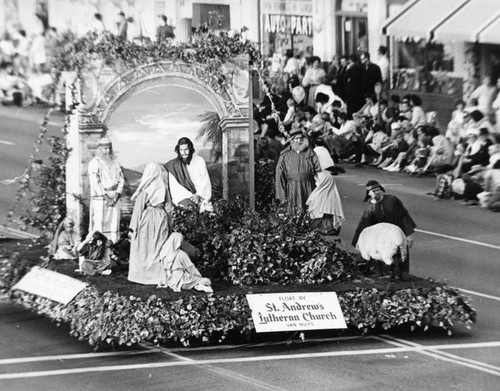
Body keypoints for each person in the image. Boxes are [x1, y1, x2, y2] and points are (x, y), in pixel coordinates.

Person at [352, 180, 416, 273]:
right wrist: (357, 242)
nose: (377, 192)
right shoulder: (370, 208)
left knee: (401, 258)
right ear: (369, 193)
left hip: (398, 235)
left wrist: (409, 235)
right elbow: (364, 225)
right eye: (374, 191)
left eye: (378, 190)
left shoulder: (392, 200)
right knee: (385, 260)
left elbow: (404, 216)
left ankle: (402, 276)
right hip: (382, 240)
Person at [127, 163, 174, 285]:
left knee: (145, 246)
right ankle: (157, 275)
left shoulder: (145, 190)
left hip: (147, 219)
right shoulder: (163, 188)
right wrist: (170, 223)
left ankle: (144, 275)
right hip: (161, 218)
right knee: (158, 246)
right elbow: (169, 208)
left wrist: (132, 229)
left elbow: (138, 210)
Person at [88, 136, 124, 244]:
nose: (107, 151)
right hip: (101, 198)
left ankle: (112, 252)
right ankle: (98, 252)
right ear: (100, 149)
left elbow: (121, 180)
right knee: (100, 223)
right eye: (105, 148)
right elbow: (95, 182)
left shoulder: (115, 163)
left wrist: (116, 196)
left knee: (113, 223)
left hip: (115, 198)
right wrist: (107, 198)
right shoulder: (95, 163)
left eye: (109, 148)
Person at [275, 129, 321, 212]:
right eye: (296, 138)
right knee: (294, 212)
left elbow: (318, 171)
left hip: (309, 187)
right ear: (292, 140)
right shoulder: (285, 155)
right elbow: (279, 174)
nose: (299, 141)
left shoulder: (311, 153)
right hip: (292, 188)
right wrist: (282, 195)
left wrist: (320, 188)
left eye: (301, 138)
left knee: (310, 211)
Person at [306, 137, 345, 235]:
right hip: (326, 174)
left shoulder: (314, 151)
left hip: (322, 175)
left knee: (319, 202)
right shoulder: (324, 150)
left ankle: (323, 227)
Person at [164, 137, 213, 212]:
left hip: (200, 196)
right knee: (189, 211)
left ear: (190, 149)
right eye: (181, 150)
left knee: (208, 212)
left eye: (186, 149)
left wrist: (199, 194)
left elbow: (205, 180)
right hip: (183, 198)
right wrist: (190, 197)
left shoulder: (199, 161)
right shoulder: (174, 165)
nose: (183, 153)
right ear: (178, 150)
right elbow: (175, 187)